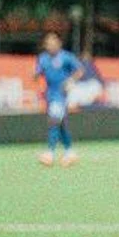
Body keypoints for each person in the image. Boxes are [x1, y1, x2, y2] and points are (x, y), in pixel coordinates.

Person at [33, 31, 86, 166]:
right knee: (60, 124)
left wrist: (70, 80)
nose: (51, 45)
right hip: (50, 94)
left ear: (59, 43)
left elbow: (80, 70)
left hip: (62, 95)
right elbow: (37, 72)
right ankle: (70, 152)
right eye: (48, 43)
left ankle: (50, 153)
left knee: (54, 120)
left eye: (53, 42)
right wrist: (35, 75)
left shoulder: (66, 57)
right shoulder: (43, 58)